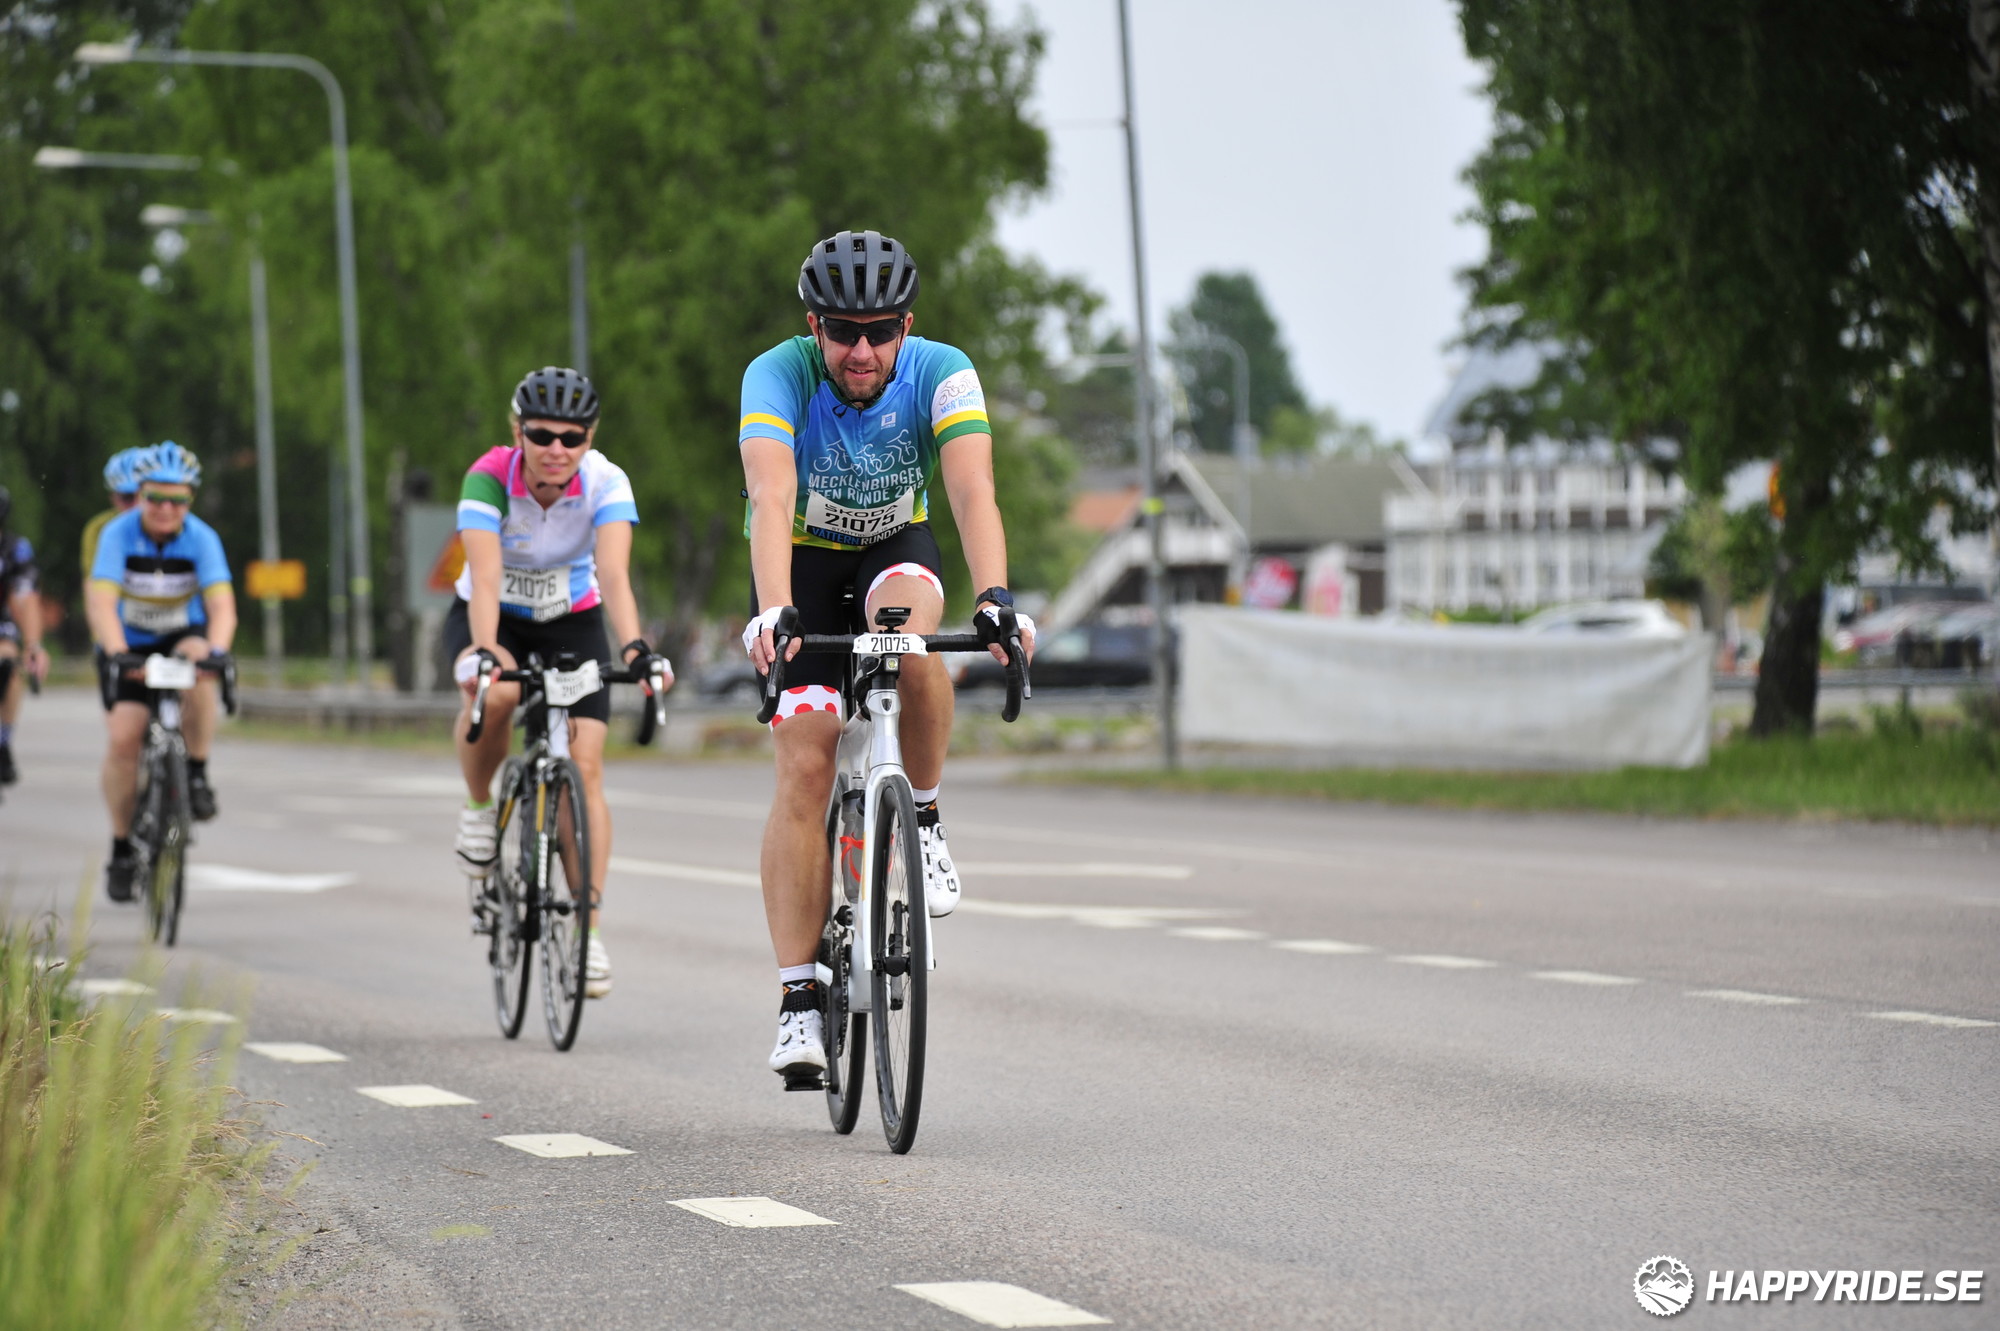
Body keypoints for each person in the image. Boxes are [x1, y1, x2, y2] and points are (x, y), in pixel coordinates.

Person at [738, 229, 1035, 1084]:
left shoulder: (943, 370)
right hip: (802, 563)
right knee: (805, 762)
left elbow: (972, 489)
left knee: (908, 640)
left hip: (893, 550)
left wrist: (995, 595)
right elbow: (770, 494)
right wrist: (773, 610)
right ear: (814, 326)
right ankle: (799, 998)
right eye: (842, 332)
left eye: (879, 331)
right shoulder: (777, 374)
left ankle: (926, 818)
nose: (861, 351)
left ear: (907, 326)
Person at [447, 367, 671, 1001]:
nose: (556, 448)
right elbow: (484, 579)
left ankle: (587, 932)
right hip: (496, 615)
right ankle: (478, 807)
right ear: (517, 431)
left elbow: (614, 576)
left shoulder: (605, 481)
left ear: (588, 438)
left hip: (571, 618)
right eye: (541, 434)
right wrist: (486, 651)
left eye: (572, 437)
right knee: (498, 693)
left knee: (587, 767)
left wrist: (636, 648)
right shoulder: (489, 477)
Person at [84, 443, 235, 902]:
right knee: (124, 739)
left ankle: (196, 771)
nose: (166, 509)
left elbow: (221, 606)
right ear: (140, 495)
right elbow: (102, 602)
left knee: (200, 667)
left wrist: (218, 651)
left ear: (190, 500)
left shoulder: (202, 538)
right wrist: (117, 653)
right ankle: (121, 847)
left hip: (179, 634)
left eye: (178, 500)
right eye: (154, 499)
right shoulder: (117, 534)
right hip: (128, 641)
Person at [0, 487, 49, 789]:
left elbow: (27, 597)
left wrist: (33, 645)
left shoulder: (13, 548)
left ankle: (3, 741)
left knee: (8, 661)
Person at [82, 447, 149, 585]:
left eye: (147, 496)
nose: (137, 506)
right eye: (127, 497)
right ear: (112, 498)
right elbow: (93, 583)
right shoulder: (98, 528)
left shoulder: (186, 528)